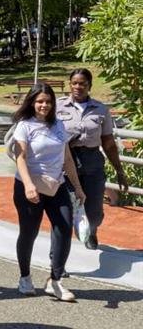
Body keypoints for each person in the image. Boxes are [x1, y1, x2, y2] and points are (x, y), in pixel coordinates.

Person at [12, 83, 86, 301]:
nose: (44, 105)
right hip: (30, 186)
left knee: (63, 227)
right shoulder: (24, 126)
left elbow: (67, 159)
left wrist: (78, 189)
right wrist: (28, 185)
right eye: (39, 101)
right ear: (32, 103)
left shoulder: (58, 125)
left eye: (48, 101)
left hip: (57, 185)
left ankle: (55, 280)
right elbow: (20, 158)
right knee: (29, 232)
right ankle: (25, 277)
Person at [56, 68, 128, 250]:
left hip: (92, 161)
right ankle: (57, 258)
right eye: (74, 83)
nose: (78, 87)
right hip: (65, 160)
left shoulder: (101, 110)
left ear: (89, 86)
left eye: (82, 83)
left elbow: (109, 143)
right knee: (64, 211)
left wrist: (119, 170)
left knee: (94, 211)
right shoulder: (58, 106)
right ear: (69, 84)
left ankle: (92, 229)